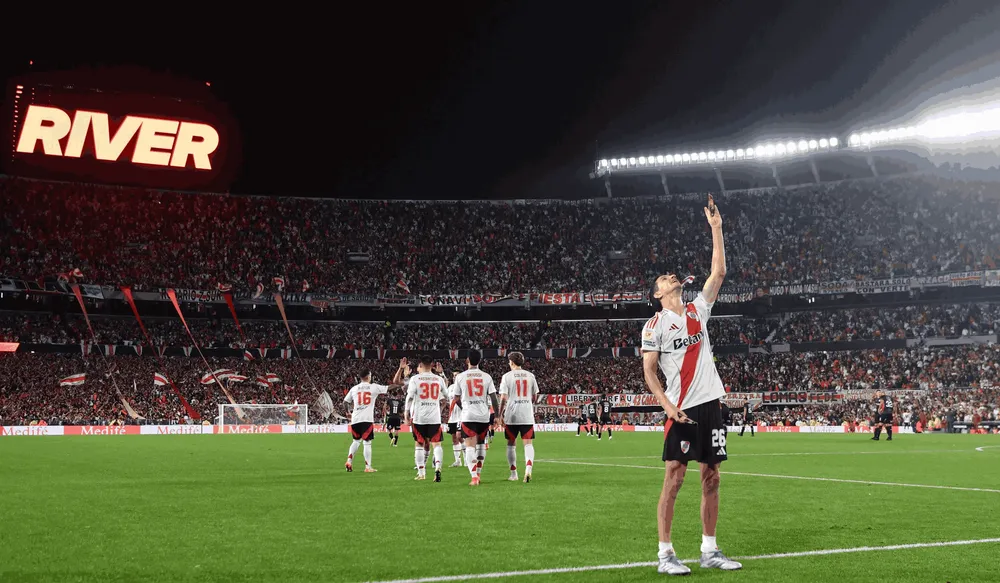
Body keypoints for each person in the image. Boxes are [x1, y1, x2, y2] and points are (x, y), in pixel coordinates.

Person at [641, 194, 742, 575]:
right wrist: (667, 407)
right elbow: (650, 372)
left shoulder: (699, 310)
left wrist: (716, 229)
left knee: (712, 476)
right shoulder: (655, 326)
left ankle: (709, 550)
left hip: (711, 404)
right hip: (680, 408)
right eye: (664, 279)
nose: (671, 277)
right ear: (658, 294)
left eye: (672, 276)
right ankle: (665, 554)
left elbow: (718, 274)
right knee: (675, 476)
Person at [453, 349, 499, 486]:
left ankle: (474, 478)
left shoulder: (460, 377)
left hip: (468, 415)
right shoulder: (487, 377)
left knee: (469, 446)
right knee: (480, 445)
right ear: (479, 361)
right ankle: (478, 473)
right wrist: (496, 415)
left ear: (468, 360)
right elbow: (494, 398)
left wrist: (464, 407)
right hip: (483, 416)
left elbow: (456, 398)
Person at [344, 371, 398, 473]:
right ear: (369, 376)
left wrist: (347, 412)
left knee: (356, 441)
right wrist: (401, 383)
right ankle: (368, 467)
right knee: (367, 443)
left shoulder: (354, 388)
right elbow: (389, 387)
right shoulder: (373, 387)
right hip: (366, 419)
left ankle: (349, 461)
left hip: (355, 419)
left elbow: (345, 402)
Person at [498, 352, 539, 483]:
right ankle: (528, 469)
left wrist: (499, 414)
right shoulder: (530, 376)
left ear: (512, 362)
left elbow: (503, 397)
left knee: (511, 444)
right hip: (526, 414)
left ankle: (514, 473)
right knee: (528, 444)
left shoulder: (506, 376)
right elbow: (535, 397)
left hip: (512, 415)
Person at [405, 355, 447, 482]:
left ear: (421, 365)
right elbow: (446, 395)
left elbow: (410, 397)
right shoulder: (438, 379)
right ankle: (438, 469)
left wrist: (406, 412)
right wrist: (440, 407)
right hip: (434, 417)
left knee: (419, 444)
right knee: (437, 445)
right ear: (432, 365)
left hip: (419, 417)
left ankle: (421, 473)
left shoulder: (415, 379)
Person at [445, 371, 465, 467]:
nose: (455, 377)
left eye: (456, 375)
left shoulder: (464, 387)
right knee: (454, 438)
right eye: (453, 376)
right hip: (452, 416)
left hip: (461, 416)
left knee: (459, 436)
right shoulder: (450, 388)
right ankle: (457, 461)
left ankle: (466, 459)